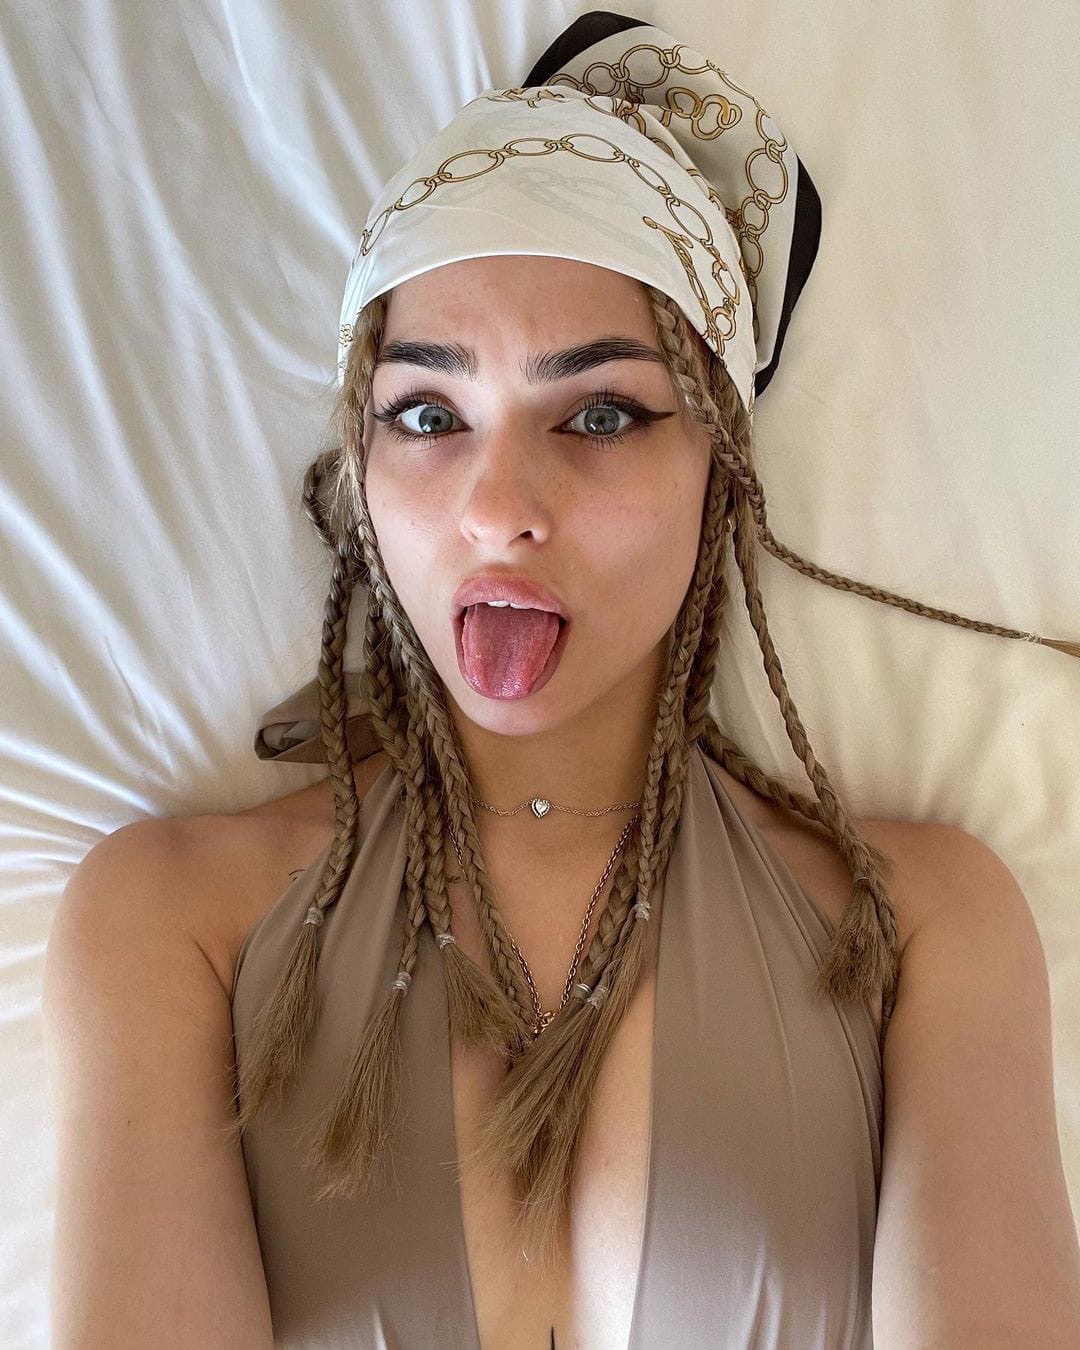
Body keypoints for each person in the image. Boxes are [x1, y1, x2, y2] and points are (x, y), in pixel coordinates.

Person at [46, 12, 1080, 1349]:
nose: (497, 508)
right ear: (361, 462)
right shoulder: (171, 920)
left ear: (720, 465)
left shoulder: (926, 927)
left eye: (599, 415)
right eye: (429, 415)